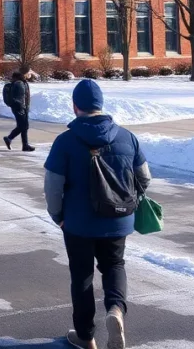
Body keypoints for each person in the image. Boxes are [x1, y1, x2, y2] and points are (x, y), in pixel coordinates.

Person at [44, 79, 151, 349]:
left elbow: (52, 186)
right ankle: (115, 310)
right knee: (114, 266)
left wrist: (58, 216)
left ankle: (85, 336)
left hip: (78, 223)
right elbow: (144, 178)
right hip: (118, 219)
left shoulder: (65, 141)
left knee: (82, 276)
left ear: (75, 106)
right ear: (101, 105)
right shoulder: (127, 137)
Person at [2, 68, 35, 151]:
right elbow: (18, 97)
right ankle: (9, 138)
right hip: (20, 108)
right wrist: (20, 106)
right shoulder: (19, 84)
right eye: (28, 73)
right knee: (23, 126)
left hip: (22, 107)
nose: (29, 75)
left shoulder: (21, 83)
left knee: (24, 126)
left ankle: (25, 145)